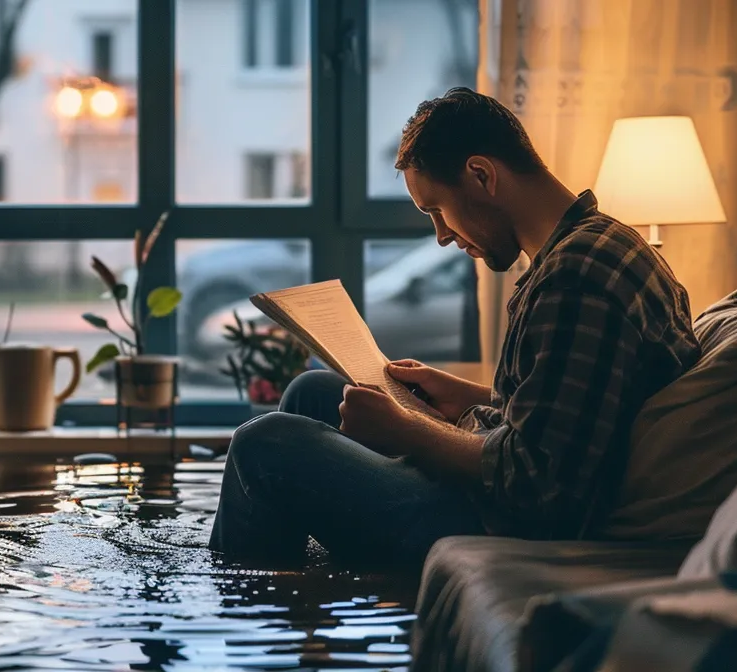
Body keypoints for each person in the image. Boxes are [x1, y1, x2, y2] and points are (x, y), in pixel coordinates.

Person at [210, 88, 701, 568]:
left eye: (436, 210)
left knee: (263, 445)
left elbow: (538, 485)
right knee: (312, 390)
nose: (442, 236)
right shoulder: (601, 243)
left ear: (481, 175)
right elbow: (572, 411)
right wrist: (466, 397)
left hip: (496, 524)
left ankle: (249, 609)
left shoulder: (575, 279)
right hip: (496, 489)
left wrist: (409, 431)